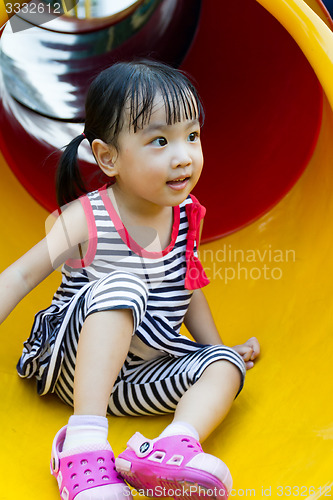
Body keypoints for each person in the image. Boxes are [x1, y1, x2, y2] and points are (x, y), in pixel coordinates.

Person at [0, 60, 260, 500]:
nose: (183, 156)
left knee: (226, 367)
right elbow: (23, 273)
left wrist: (216, 346)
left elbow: (187, 287)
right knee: (124, 286)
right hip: (71, 364)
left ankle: (173, 447)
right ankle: (82, 444)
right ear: (108, 157)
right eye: (160, 140)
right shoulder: (88, 216)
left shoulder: (184, 214)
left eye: (191, 136)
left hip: (138, 378)